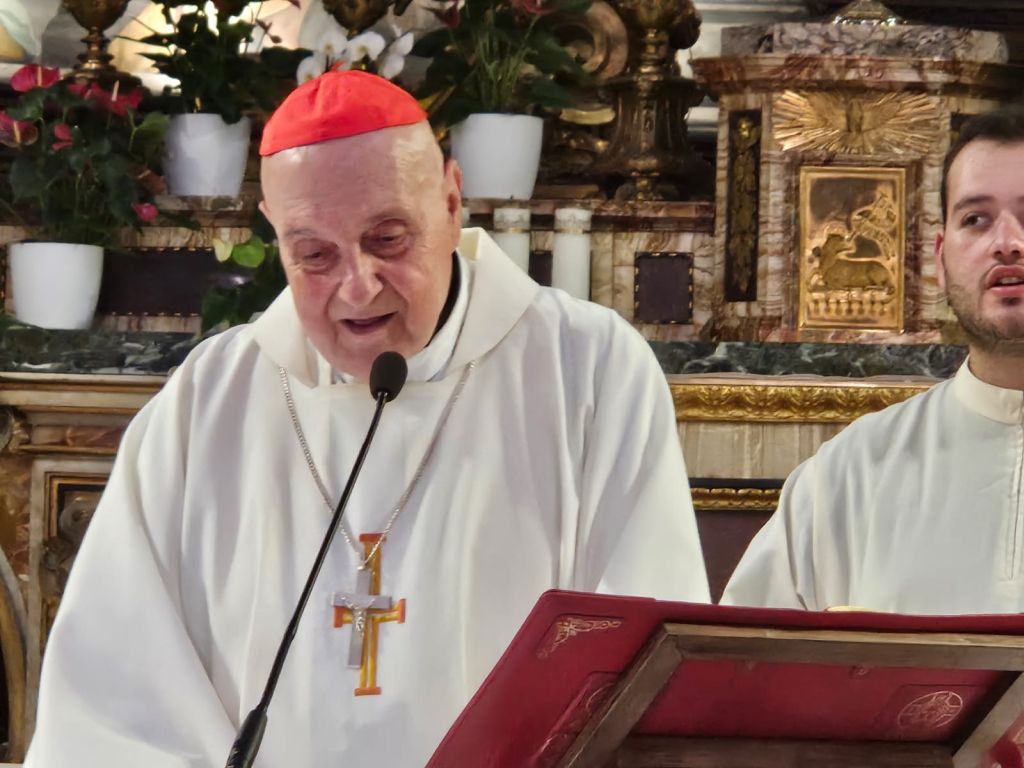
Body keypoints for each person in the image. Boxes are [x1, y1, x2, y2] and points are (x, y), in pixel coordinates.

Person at [24, 70, 709, 767]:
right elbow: (111, 694)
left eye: (387, 239)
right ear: (276, 236)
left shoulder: (584, 372)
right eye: (314, 254)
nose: (357, 288)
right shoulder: (208, 403)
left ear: (451, 202)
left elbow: (646, 668)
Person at [723, 104, 1024, 614]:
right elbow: (746, 655)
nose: (1008, 244)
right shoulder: (848, 474)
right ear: (940, 258)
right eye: (976, 219)